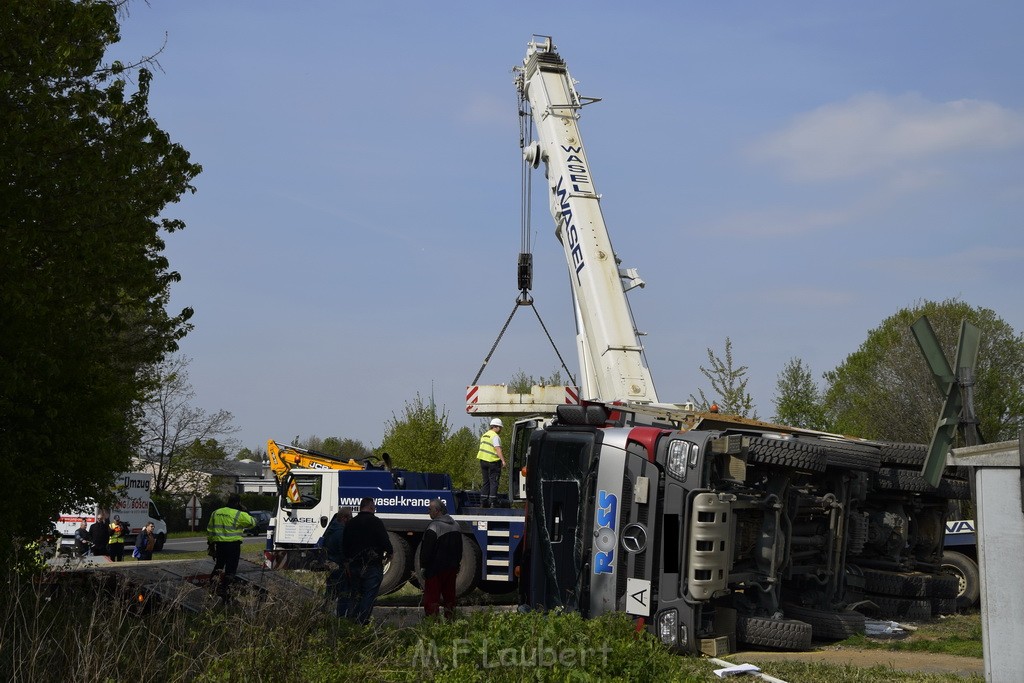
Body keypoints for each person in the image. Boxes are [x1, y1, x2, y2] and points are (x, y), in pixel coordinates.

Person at [339, 497, 392, 624]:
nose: (374, 510)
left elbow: (344, 544)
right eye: (374, 507)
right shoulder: (376, 522)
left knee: (356, 594)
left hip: (354, 564)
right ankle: (361, 622)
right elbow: (385, 542)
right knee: (369, 595)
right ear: (370, 507)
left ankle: (352, 621)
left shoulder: (351, 523)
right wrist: (389, 554)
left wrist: (346, 561)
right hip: (372, 565)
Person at [419, 499, 463, 620]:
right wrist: (457, 563)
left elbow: (426, 550)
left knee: (432, 599)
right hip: (451, 568)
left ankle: (433, 623)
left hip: (435, 570)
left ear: (437, 511)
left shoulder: (433, 527)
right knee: (450, 598)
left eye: (430, 509)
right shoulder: (456, 525)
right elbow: (460, 548)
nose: (428, 512)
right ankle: (450, 621)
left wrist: (424, 567)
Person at [207, 494, 255, 600]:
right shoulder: (239, 514)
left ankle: (212, 587)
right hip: (233, 545)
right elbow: (253, 523)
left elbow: (210, 530)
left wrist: (210, 545)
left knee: (219, 566)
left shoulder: (216, 513)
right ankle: (225, 590)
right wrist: (246, 511)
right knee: (230, 569)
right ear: (238, 503)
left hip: (219, 545)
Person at [321, 508, 353, 616]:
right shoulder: (341, 532)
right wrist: (348, 567)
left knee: (330, 593)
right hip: (340, 567)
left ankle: (322, 614)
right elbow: (343, 551)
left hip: (331, 564)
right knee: (344, 594)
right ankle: (341, 617)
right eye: (350, 517)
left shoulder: (331, 529)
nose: (351, 519)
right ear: (344, 518)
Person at [476, 418, 506, 507]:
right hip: (493, 461)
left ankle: (483, 501)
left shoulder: (484, 435)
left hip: (483, 461)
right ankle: (493, 501)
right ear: (496, 427)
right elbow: (497, 449)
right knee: (494, 481)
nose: (500, 430)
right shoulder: (495, 436)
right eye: (500, 428)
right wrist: (503, 461)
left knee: (486, 481)